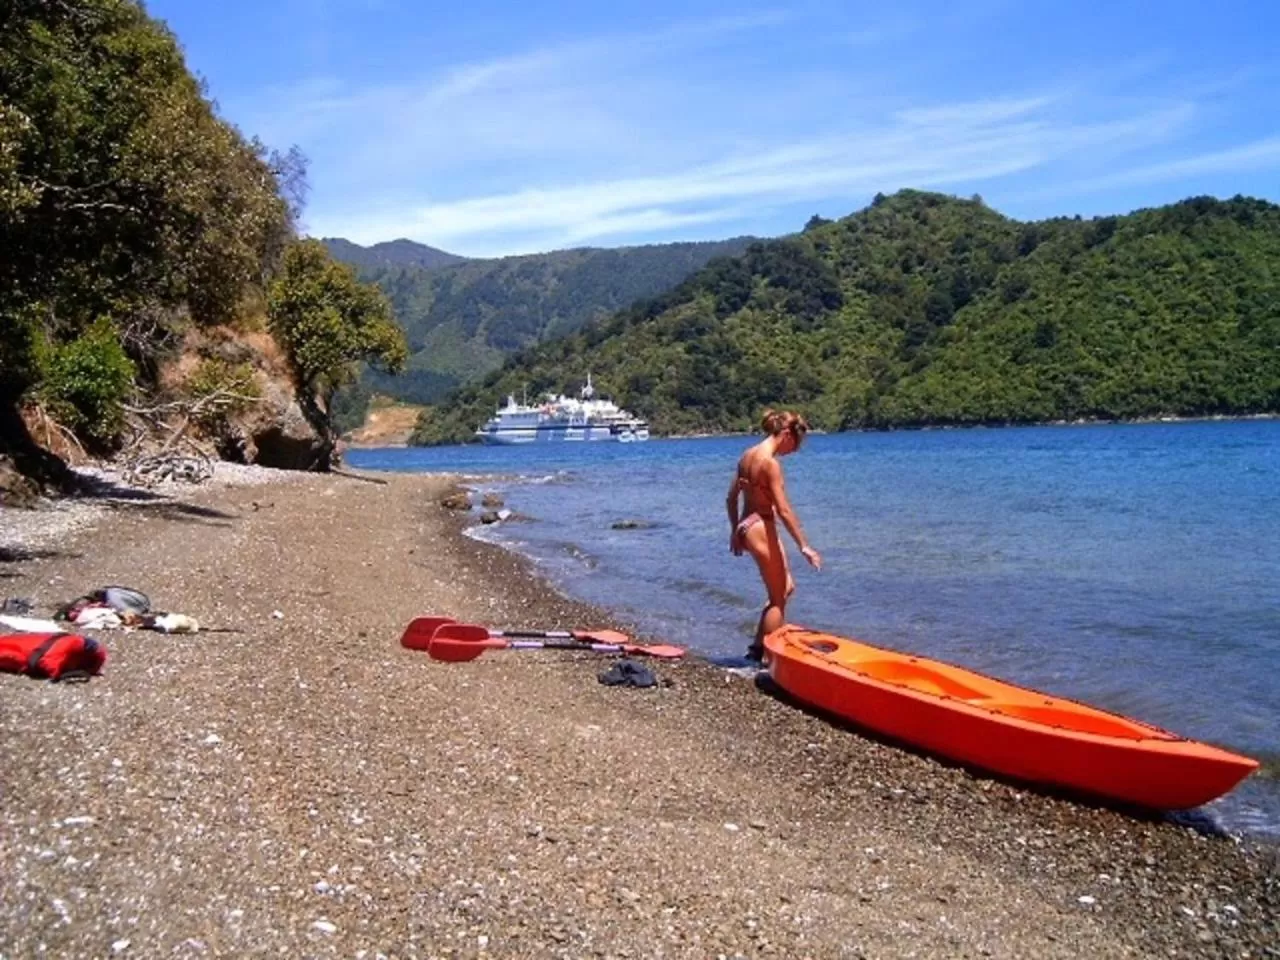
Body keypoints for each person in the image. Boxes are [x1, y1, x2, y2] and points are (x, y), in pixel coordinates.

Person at [726, 409, 822, 661]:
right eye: (795, 445)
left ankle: (756, 650)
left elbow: (731, 498)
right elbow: (784, 510)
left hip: (748, 525)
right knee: (778, 598)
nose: (793, 451)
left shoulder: (747, 456)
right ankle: (770, 660)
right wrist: (804, 546)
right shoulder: (770, 464)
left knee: (786, 587)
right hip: (761, 526)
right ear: (787, 435)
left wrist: (735, 531)